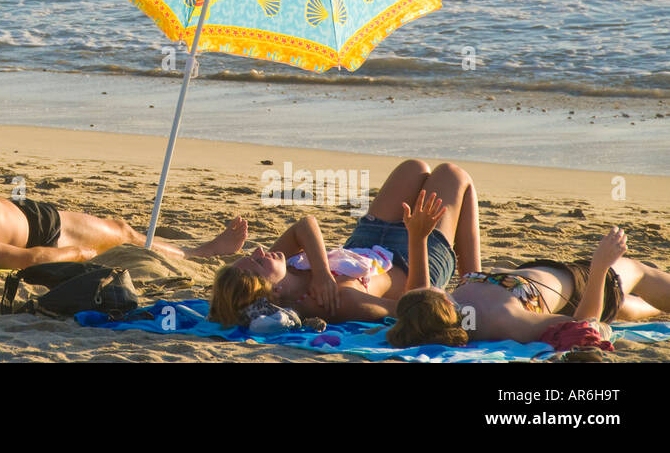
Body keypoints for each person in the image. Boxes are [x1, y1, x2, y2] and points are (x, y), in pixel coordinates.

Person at [209, 159, 482, 325]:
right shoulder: (340, 301)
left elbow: (305, 225)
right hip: (411, 257)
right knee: (454, 175)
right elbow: (414, 307)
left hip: (371, 237)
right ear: (274, 293)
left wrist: (321, 273)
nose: (260, 250)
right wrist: (418, 236)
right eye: (257, 261)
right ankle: (474, 284)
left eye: (252, 254)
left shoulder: (283, 270)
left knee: (414, 168)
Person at [388, 226, 670, 346]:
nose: (434, 287)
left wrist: (419, 237)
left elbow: (420, 298)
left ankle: (629, 307)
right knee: (639, 272)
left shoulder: (440, 314)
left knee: (621, 308)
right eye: (434, 290)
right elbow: (581, 325)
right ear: (446, 304)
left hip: (561, 276)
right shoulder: (505, 319)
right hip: (586, 282)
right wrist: (599, 268)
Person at [0, 189, 251, 272]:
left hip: (15, 210)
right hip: (41, 229)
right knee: (123, 234)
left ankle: (196, 249)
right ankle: (198, 253)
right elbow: (30, 260)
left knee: (122, 231)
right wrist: (85, 255)